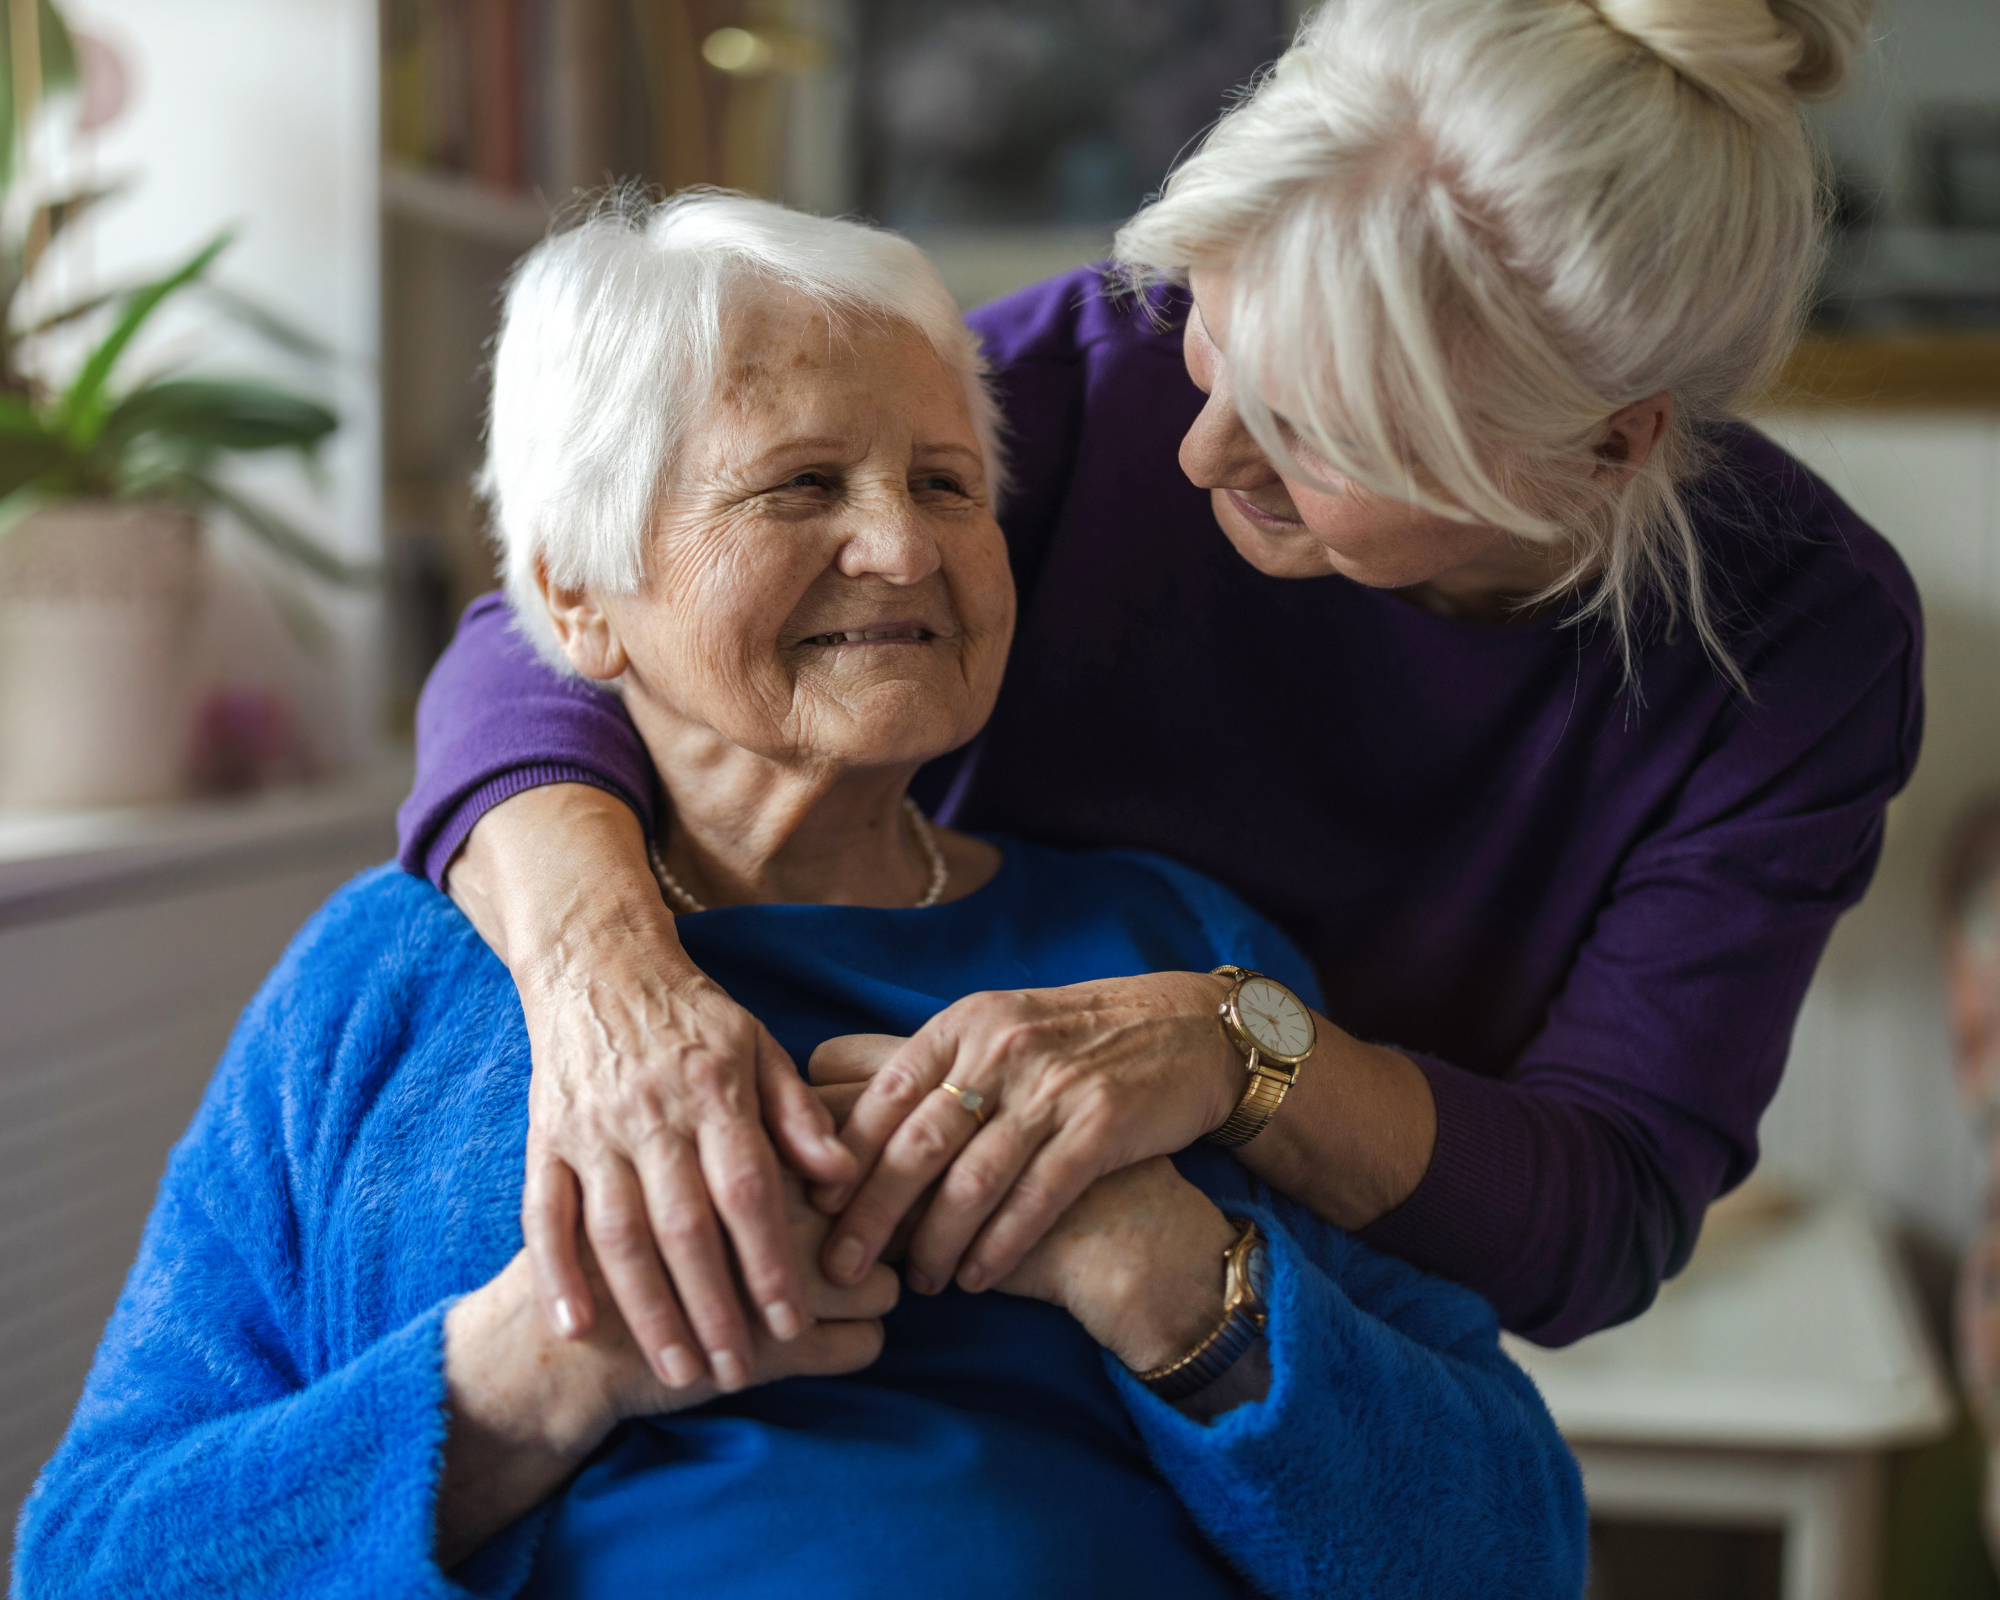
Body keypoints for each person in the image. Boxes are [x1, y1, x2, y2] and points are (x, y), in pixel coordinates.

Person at [14, 195, 1585, 1599]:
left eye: (950, 484)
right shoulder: (389, 977)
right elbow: (96, 1562)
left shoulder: (1178, 961)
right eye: (800, 485)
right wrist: (546, 1366)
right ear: (574, 590)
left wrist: (1153, 1263)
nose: (902, 546)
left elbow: (1512, 1548)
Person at [404, 0, 1920, 1395]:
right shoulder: (1094, 369)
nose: (1199, 456)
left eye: (1316, 433)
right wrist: (612, 989)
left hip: (1283, 1333)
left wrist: (1243, 1052)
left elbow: (1605, 1211)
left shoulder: (1797, 642)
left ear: (1609, 448)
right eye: (1212, 335)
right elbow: (547, 623)